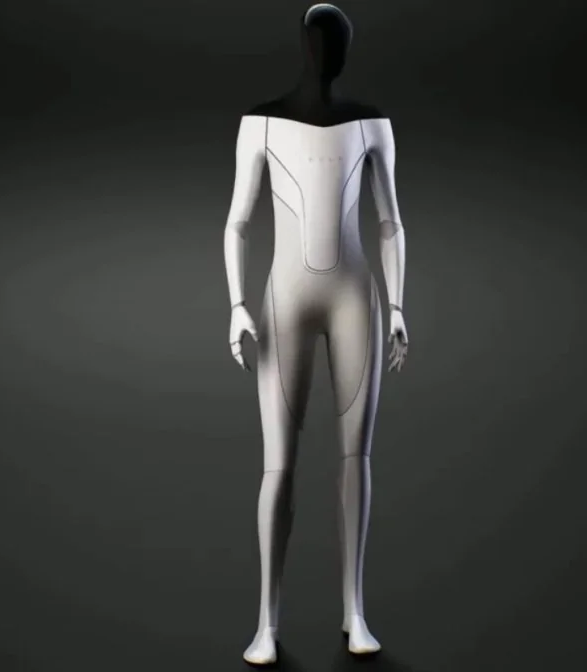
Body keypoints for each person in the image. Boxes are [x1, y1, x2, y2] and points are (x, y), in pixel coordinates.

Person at [221, 3, 409, 665]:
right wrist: (236, 304)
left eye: (337, 43)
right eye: (320, 41)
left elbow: (390, 221)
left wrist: (397, 306)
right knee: (279, 465)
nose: (327, 52)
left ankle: (355, 612)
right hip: (285, 303)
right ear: (305, 47)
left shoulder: (372, 124)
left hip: (356, 299)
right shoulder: (260, 122)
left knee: (357, 459)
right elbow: (237, 221)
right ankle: (266, 623)